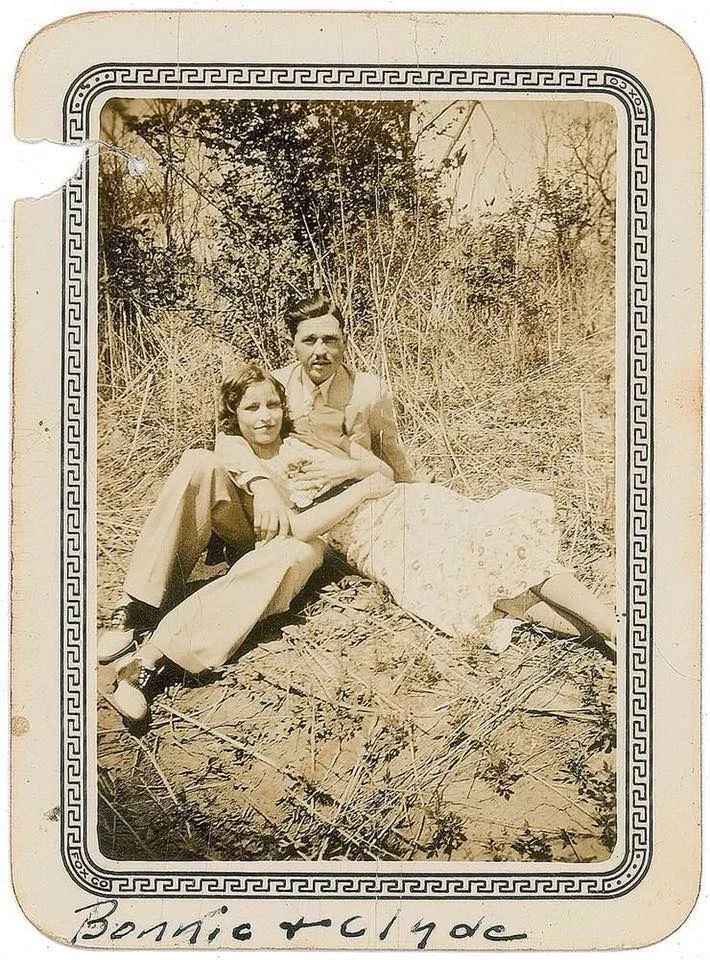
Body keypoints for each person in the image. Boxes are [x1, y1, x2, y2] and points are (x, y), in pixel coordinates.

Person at [107, 363, 616, 723]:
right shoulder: (233, 447)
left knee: (498, 558)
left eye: (272, 405)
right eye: (251, 408)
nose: (263, 416)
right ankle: (139, 621)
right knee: (198, 466)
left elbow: (377, 472)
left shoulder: (306, 438)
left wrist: (362, 478)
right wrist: (266, 485)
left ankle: (619, 634)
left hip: (358, 526)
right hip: (303, 530)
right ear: (234, 415)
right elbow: (231, 456)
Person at [99, 291, 414, 665]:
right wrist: (260, 485)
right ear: (292, 343)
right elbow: (226, 437)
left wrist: (399, 485)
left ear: (345, 341)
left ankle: (167, 652)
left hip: (318, 525)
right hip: (259, 512)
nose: (320, 351)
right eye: (309, 340)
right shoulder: (274, 386)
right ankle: (138, 603)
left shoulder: (368, 390)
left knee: (293, 551)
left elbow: (391, 456)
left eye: (330, 339)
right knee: (198, 462)